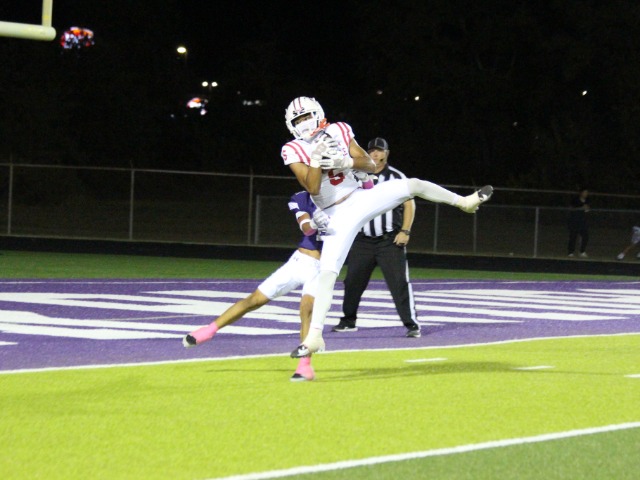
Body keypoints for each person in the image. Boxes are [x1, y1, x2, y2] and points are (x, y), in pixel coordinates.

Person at [281, 96, 493, 358]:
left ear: (318, 114)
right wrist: (316, 159)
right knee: (327, 273)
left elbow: (370, 165)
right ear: (291, 125)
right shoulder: (292, 148)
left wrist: (346, 163)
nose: (304, 123)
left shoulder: (338, 129)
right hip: (334, 214)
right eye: (298, 120)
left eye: (306, 116)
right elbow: (312, 187)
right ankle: (314, 337)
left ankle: (465, 202)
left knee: (413, 185)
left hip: (361, 197)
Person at [182, 190, 328, 382]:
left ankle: (304, 366)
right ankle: (209, 330)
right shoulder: (301, 197)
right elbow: (306, 228)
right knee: (254, 300)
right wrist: (315, 223)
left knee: (306, 309)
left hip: (325, 264)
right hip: (300, 260)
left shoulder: (343, 197)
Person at [333, 137, 420, 337]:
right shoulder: (356, 175)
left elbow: (409, 204)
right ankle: (348, 320)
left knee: (399, 283)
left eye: (379, 150)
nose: (375, 153)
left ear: (386, 154)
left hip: (389, 241)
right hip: (362, 240)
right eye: (371, 150)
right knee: (352, 281)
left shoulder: (396, 177)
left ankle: (411, 324)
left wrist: (405, 231)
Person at [567, 188, 590, 258]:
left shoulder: (588, 201)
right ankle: (570, 252)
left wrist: (587, 209)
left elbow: (587, 210)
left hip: (583, 222)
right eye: (585, 192)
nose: (586, 194)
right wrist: (581, 208)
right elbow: (570, 208)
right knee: (573, 237)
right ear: (581, 193)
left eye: (587, 193)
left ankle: (582, 251)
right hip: (575, 221)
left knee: (585, 236)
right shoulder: (575, 200)